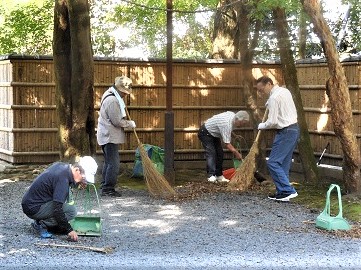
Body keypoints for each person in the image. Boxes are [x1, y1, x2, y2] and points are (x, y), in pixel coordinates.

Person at [21, 156, 98, 240]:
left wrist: (78, 183)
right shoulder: (63, 180)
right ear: (77, 170)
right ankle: (42, 224)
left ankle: (43, 221)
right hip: (34, 208)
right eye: (83, 177)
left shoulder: (62, 167)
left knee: (63, 204)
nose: (84, 180)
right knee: (71, 211)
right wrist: (69, 230)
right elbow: (57, 208)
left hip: (30, 203)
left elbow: (63, 183)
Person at [256, 76, 299, 202]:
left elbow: (273, 122)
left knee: (273, 162)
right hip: (294, 129)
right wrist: (269, 102)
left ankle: (288, 190)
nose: (260, 92)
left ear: (269, 84)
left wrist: (261, 125)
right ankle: (282, 193)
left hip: (285, 132)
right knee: (283, 164)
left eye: (261, 89)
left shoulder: (274, 98)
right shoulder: (284, 92)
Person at [97, 76, 136, 197]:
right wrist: (130, 124)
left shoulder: (109, 94)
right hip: (109, 136)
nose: (126, 95)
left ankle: (105, 185)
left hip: (106, 134)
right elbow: (117, 121)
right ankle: (108, 189)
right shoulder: (113, 100)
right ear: (119, 90)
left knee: (109, 162)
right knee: (113, 163)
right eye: (125, 92)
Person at [198, 110, 250, 183]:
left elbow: (227, 131)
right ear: (238, 119)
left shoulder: (233, 117)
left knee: (220, 153)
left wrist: (234, 136)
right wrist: (237, 153)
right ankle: (211, 176)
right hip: (205, 132)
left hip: (214, 134)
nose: (242, 125)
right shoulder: (226, 124)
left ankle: (219, 176)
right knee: (211, 153)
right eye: (242, 123)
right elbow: (227, 143)